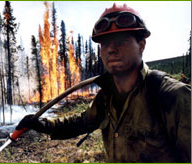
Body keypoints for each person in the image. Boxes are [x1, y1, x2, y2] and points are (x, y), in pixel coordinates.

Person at [16, 3, 191, 163]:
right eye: (105, 44)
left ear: (142, 45)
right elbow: (81, 123)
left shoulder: (172, 96)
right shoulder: (106, 98)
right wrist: (40, 124)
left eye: (121, 41)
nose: (111, 49)